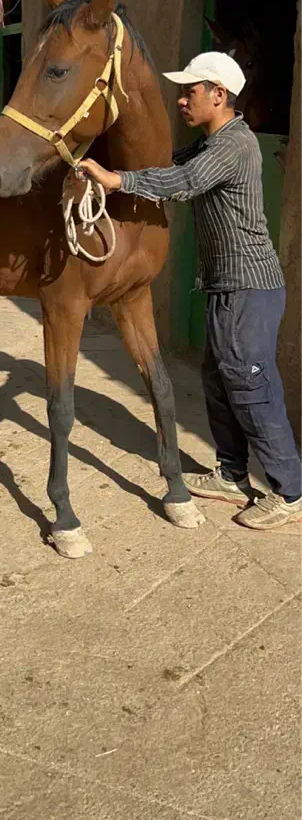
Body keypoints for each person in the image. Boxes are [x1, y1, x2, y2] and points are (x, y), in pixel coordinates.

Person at [79, 51, 301, 530]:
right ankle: (231, 473)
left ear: (218, 95)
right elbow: (166, 161)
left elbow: (181, 180)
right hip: (225, 286)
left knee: (251, 387)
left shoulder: (233, 146)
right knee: (220, 381)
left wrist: (119, 180)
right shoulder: (208, 143)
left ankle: (289, 491)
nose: (181, 100)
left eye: (190, 91)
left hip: (249, 288)